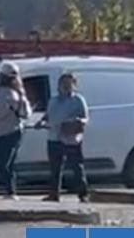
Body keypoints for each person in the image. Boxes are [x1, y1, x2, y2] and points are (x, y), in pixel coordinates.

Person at [0, 62, 32, 200]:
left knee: (1, 163)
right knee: (9, 164)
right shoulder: (19, 93)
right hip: (17, 130)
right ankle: (11, 190)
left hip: (6, 132)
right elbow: (27, 113)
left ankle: (11, 191)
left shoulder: (3, 93)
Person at [42, 72, 89, 203]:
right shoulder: (53, 100)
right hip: (54, 137)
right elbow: (47, 115)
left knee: (76, 167)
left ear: (74, 85)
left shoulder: (78, 100)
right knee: (55, 168)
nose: (66, 86)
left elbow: (86, 118)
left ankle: (83, 194)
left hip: (71, 138)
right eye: (63, 83)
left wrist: (79, 121)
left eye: (69, 83)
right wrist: (42, 122)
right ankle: (54, 194)